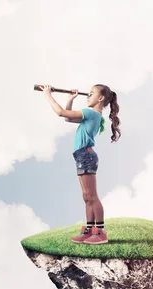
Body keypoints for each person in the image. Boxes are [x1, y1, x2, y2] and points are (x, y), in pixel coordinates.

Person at [39, 84, 121, 244]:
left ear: (100, 98)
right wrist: (70, 99)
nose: (88, 96)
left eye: (91, 94)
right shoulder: (93, 114)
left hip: (85, 155)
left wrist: (47, 94)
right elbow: (68, 118)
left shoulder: (90, 113)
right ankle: (90, 230)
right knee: (86, 197)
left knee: (92, 196)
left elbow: (60, 112)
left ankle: (101, 232)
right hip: (82, 155)